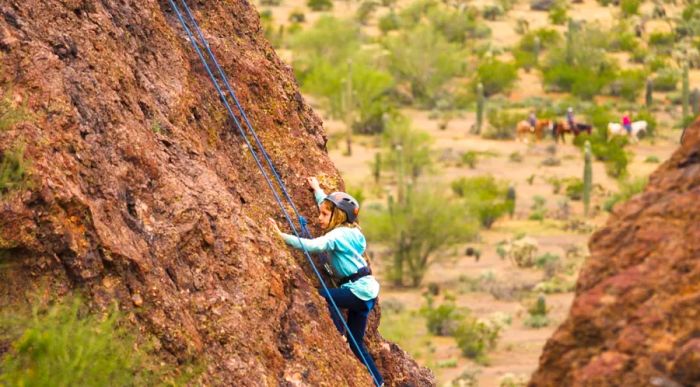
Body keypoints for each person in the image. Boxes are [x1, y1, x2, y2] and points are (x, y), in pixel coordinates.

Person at [269, 177, 384, 386]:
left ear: (337, 216)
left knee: (322, 296)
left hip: (357, 291)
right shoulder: (351, 231)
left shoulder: (338, 235)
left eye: (324, 214)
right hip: (366, 292)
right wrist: (317, 190)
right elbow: (330, 207)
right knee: (356, 343)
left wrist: (281, 236)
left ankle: (338, 333)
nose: (319, 217)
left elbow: (314, 246)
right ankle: (379, 382)